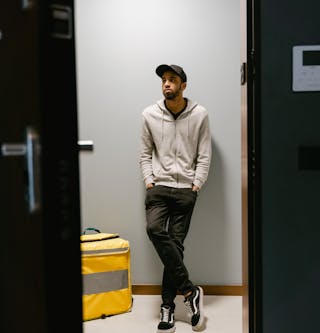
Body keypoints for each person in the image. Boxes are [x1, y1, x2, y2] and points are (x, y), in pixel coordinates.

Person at [139, 64, 212, 332]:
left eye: (172, 80)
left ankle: (168, 308)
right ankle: (190, 291)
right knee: (154, 229)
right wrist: (149, 180)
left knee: (175, 248)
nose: (166, 84)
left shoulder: (200, 114)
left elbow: (204, 154)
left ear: (183, 85)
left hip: (186, 191)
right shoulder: (149, 114)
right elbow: (145, 153)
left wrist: (197, 184)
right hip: (158, 188)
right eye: (163, 80)